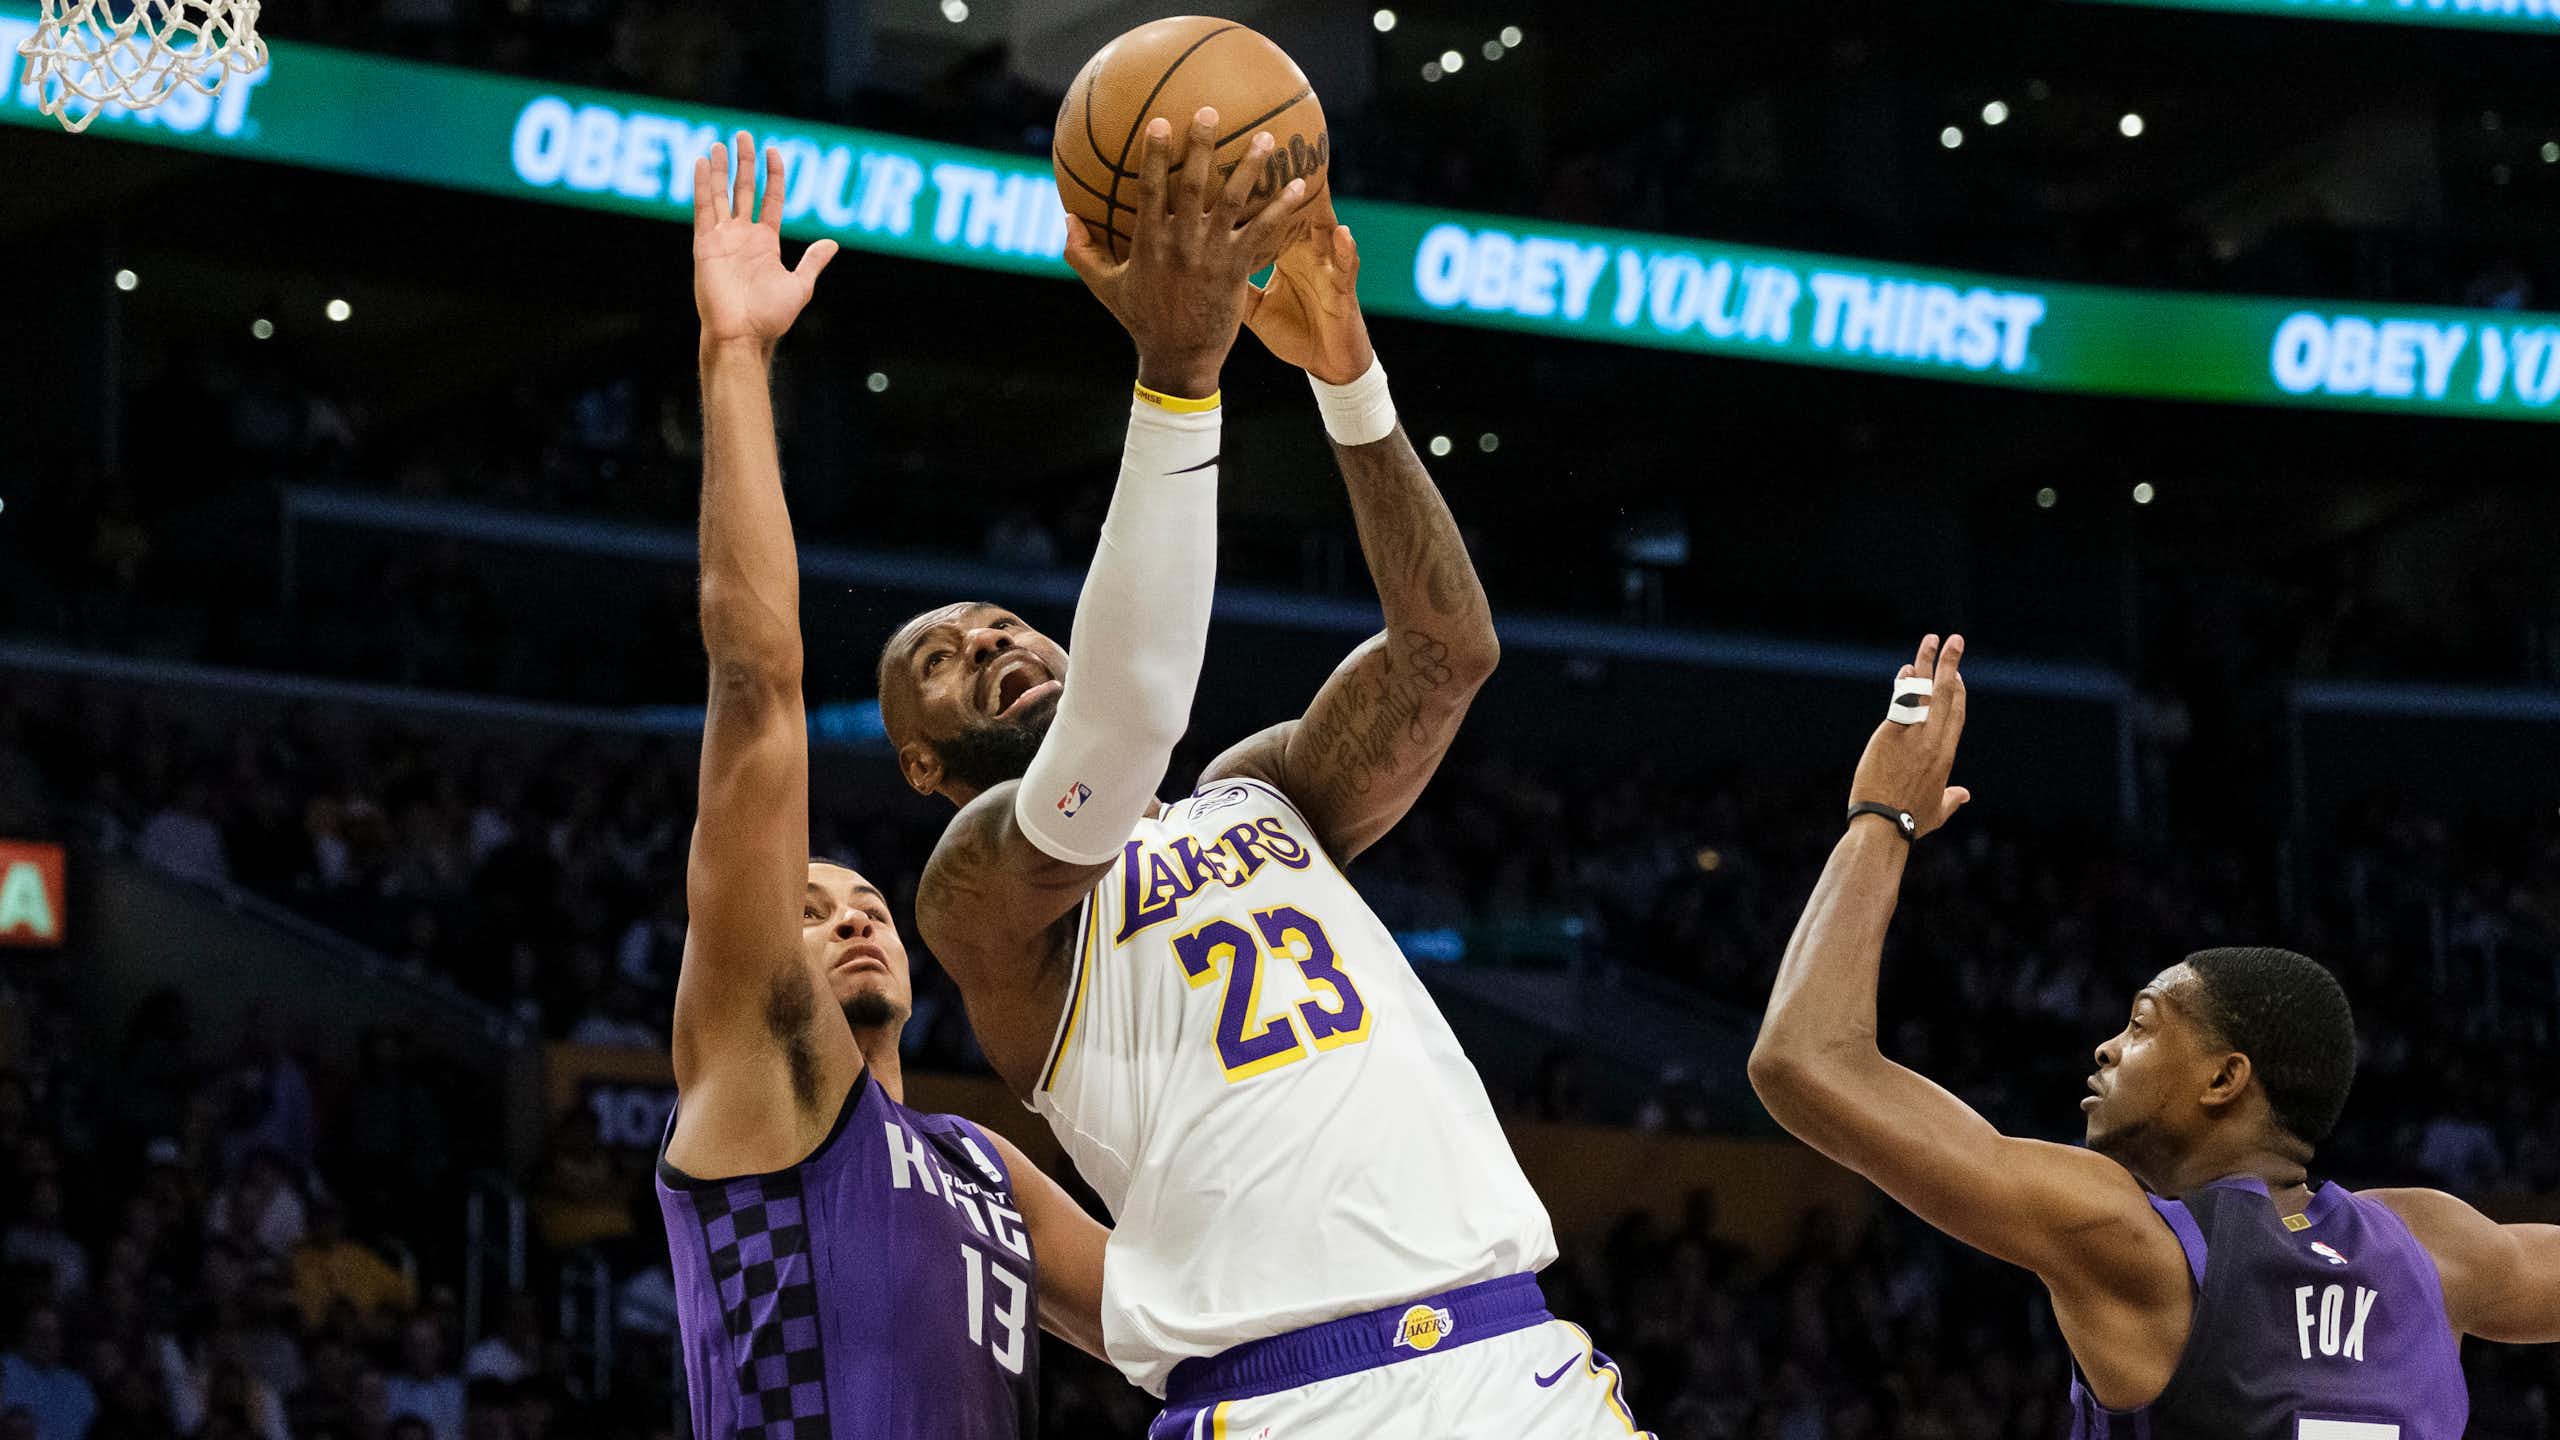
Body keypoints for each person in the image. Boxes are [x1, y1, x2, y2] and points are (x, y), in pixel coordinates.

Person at [882, 109, 1648, 1437]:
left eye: (1000, 621)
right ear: (922, 758)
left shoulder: (1261, 792)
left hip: (1510, 1358)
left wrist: (1348, 377)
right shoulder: (980, 895)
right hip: (1282, 1399)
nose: (989, 637)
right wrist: (1177, 374)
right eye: (944, 660)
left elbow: (1449, 651)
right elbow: (1117, 740)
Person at [1749, 632, 2560, 1437]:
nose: (2105, 1047)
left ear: (2223, 1079)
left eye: (2140, 1027)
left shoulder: (2139, 1244)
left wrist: (1878, 818)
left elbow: (1805, 1061)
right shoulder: (2441, 1249)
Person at [655, 132, 1108, 1439]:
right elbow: (758, 690)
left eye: (863, 900)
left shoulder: (986, 1170)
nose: (852, 914)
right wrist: (735, 360)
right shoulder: (763, 1059)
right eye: (810, 905)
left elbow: (1173, 1316)